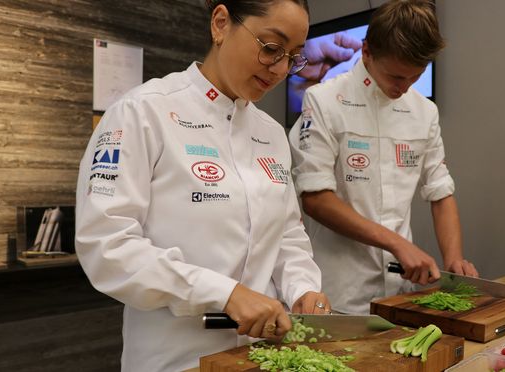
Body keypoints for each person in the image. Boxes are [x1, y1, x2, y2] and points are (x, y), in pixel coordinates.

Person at [75, 1, 330, 371]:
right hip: (175, 360)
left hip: (263, 357)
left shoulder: (272, 134)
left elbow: (287, 236)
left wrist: (302, 288)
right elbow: (107, 246)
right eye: (271, 48)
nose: (280, 70)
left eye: (294, 57)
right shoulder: (143, 113)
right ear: (221, 23)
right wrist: (224, 293)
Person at [288, 0, 478, 315]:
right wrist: (397, 243)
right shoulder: (322, 101)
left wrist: (454, 260)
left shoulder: (425, 112)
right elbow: (315, 198)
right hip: (340, 293)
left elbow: (440, 191)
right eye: (395, 77)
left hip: (402, 293)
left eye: (415, 77)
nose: (403, 88)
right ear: (366, 52)